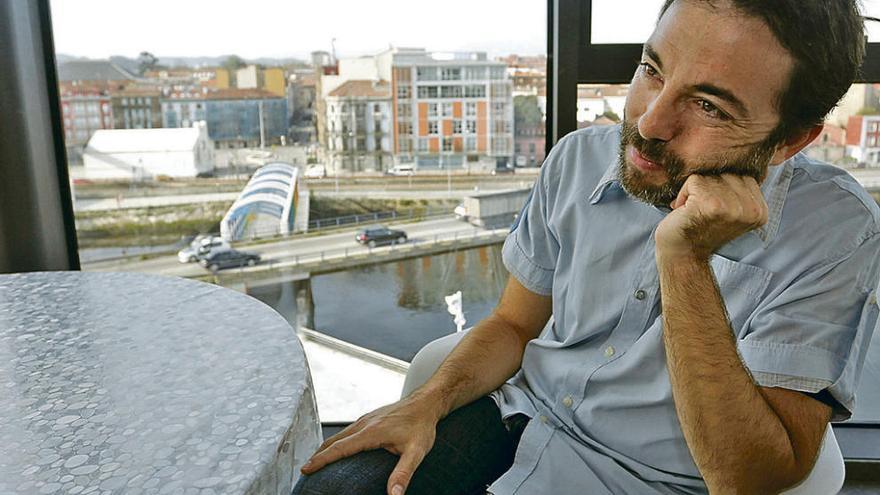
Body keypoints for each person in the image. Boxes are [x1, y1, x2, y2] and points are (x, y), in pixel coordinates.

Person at [293, 1, 880, 493]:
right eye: (653, 69)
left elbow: (749, 477)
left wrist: (686, 261)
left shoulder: (836, 234)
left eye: (708, 106)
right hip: (520, 421)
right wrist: (427, 401)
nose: (649, 123)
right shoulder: (577, 159)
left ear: (790, 141)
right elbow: (514, 326)